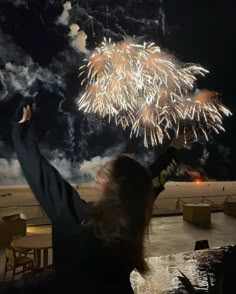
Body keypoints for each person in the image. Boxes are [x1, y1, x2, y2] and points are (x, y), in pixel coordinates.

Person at [10, 105, 190, 294]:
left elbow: (42, 175)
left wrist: (23, 130)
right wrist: (173, 150)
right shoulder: (135, 208)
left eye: (104, 172)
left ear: (113, 186)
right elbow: (154, 175)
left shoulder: (79, 219)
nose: (98, 173)